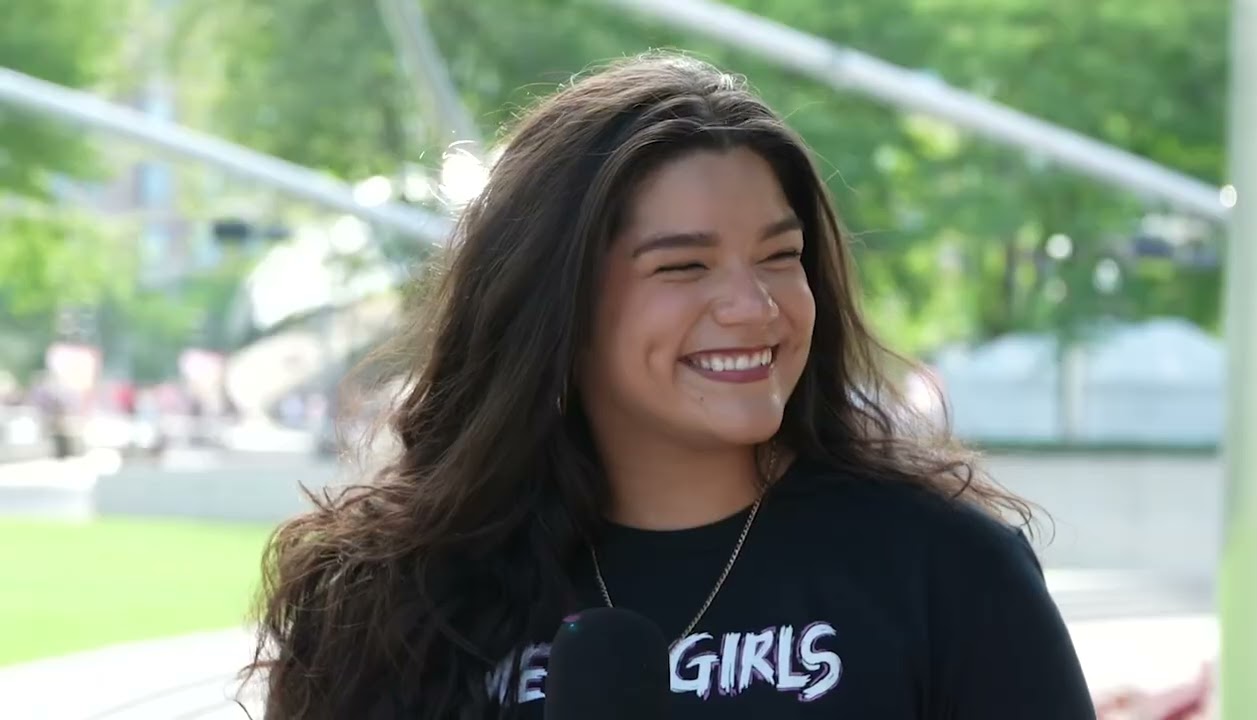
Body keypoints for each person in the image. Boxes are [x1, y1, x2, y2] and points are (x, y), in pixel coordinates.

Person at [249, 52, 1095, 719]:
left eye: (780, 256)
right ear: (557, 303)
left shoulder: (945, 569)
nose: (752, 306)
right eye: (684, 265)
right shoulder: (390, 607)